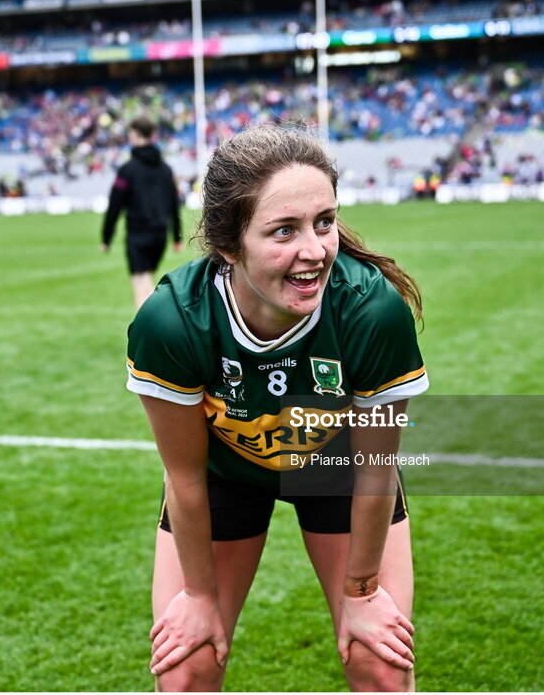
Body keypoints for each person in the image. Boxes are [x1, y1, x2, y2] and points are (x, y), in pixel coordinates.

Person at [125, 124, 429, 691]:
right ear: (227, 244)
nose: (314, 252)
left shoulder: (372, 312)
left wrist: (361, 591)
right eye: (283, 231)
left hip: (340, 468)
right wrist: (198, 596)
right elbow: (185, 477)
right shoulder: (172, 322)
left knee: (379, 662)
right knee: (186, 667)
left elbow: (375, 469)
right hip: (224, 474)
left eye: (325, 222)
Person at [102, 117, 184, 309]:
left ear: (136, 135)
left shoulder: (127, 170)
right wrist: (177, 236)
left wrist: (106, 237)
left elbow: (115, 205)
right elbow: (174, 204)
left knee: (141, 282)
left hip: (138, 234)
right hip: (160, 234)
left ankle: (148, 331)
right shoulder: (166, 170)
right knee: (147, 277)